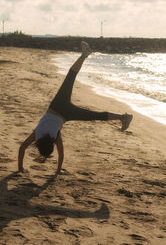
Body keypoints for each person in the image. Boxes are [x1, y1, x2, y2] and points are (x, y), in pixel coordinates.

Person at [18, 41, 133, 174]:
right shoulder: (36, 135)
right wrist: (20, 168)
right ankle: (84, 55)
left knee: (95, 116)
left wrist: (58, 170)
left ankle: (124, 117)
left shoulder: (55, 138)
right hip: (57, 105)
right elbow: (22, 148)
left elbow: (61, 153)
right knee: (70, 77)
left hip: (66, 114)